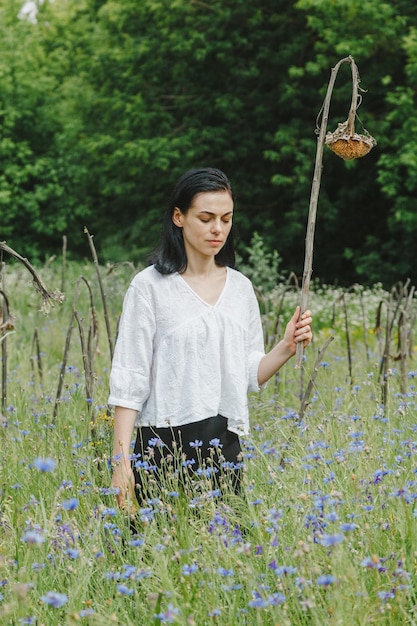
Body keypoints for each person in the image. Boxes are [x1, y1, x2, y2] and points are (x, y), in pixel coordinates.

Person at [109, 167, 313, 510]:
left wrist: (287, 346)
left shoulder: (241, 289)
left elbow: (248, 374)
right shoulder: (149, 288)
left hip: (223, 444)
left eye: (226, 218)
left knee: (227, 552)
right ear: (179, 217)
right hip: (161, 446)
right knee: (152, 554)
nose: (217, 228)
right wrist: (121, 464)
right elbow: (130, 381)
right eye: (205, 218)